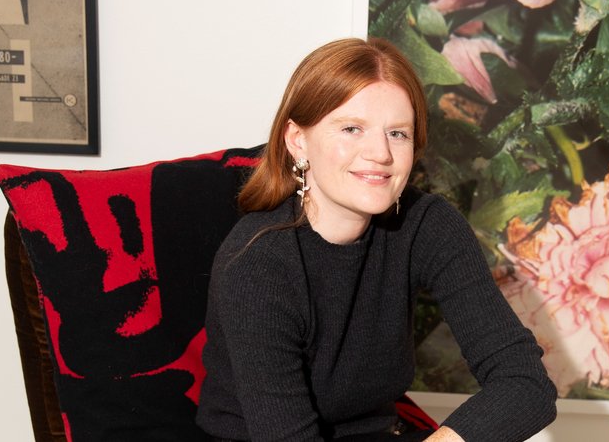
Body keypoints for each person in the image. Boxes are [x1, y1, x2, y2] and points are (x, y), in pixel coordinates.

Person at [196, 37, 558, 441]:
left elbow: (526, 383)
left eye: (398, 134)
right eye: (352, 128)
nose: (380, 154)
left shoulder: (426, 225)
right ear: (298, 140)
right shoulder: (258, 264)